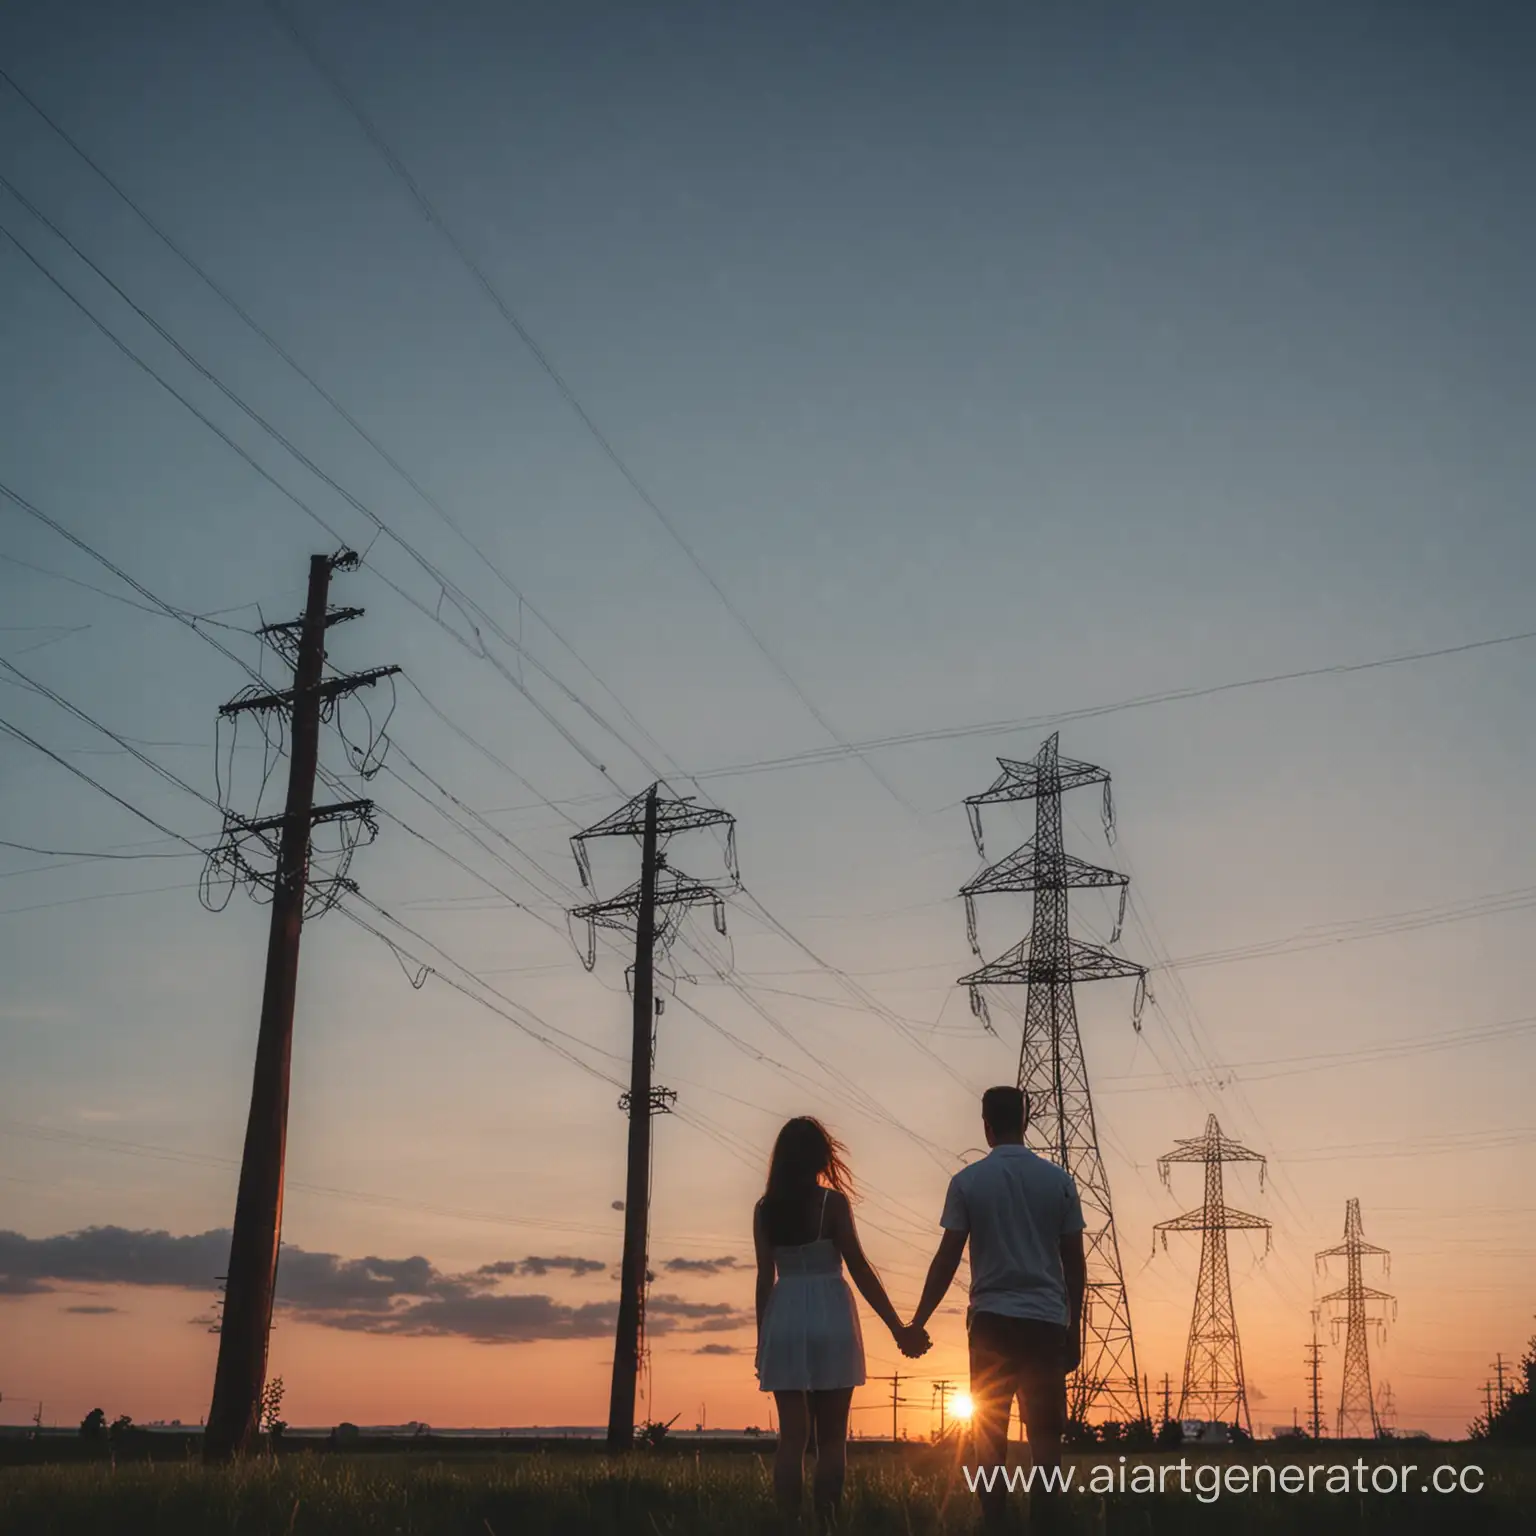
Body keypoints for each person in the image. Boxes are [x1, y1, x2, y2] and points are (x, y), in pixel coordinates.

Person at [908, 1087, 1087, 1532]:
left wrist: (918, 1322)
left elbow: (947, 1258)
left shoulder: (968, 1182)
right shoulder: (1059, 1182)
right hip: (1045, 1323)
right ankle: (1045, 1525)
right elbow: (1074, 1263)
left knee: (989, 1438)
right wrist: (1074, 1326)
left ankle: (995, 1524)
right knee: (1045, 1440)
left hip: (991, 1324)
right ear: (1024, 1122)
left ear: (985, 1124)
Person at [755, 1116, 929, 1525]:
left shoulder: (765, 1210)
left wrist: (763, 1339)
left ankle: (788, 1524)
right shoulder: (832, 1204)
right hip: (831, 1313)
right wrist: (897, 1327)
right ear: (820, 1156)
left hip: (785, 1314)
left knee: (792, 1438)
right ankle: (827, 1523)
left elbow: (765, 1277)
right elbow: (860, 1268)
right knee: (832, 1440)